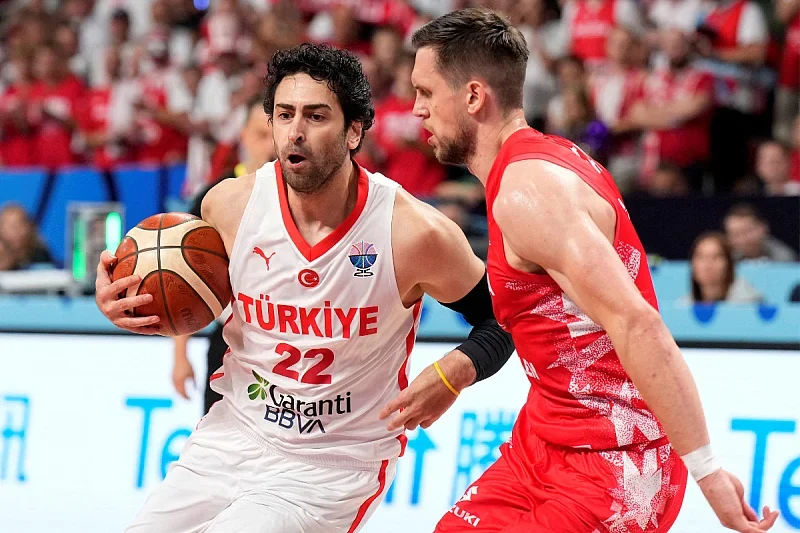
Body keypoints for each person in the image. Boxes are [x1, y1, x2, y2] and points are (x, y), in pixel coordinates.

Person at [387, 7, 779, 532]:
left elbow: (637, 323)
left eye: (426, 92)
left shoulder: (528, 192)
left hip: (614, 462)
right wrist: (457, 372)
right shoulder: (541, 161)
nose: (416, 109)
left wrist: (706, 469)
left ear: (474, 96)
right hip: (542, 440)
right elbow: (545, 311)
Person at [94, 43, 514, 533]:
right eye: (284, 115)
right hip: (232, 435)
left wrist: (453, 374)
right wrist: (123, 300)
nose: (295, 131)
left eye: (316, 116)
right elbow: (185, 292)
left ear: (354, 130)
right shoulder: (227, 206)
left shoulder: (413, 232)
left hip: (333, 465)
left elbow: (504, 317)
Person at [171, 96, 277, 415]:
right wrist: (180, 355)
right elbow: (184, 278)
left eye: (276, 134)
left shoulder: (307, 196)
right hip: (229, 339)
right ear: (243, 136)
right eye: (261, 134)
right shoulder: (214, 197)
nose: (271, 145)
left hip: (289, 341)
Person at [684, 231, 764, 304]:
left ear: (729, 264)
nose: (708, 265)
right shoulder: (684, 306)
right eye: (701, 257)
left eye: (716, 257)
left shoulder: (749, 303)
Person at [724, 204, 799, 262]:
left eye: (748, 231)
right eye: (736, 234)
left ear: (763, 228)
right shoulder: (726, 259)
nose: (743, 239)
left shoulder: (784, 258)